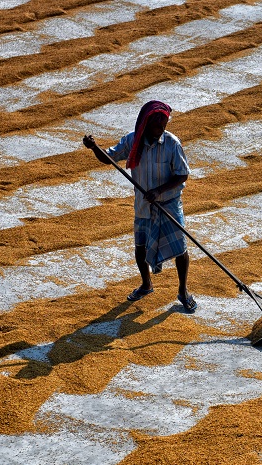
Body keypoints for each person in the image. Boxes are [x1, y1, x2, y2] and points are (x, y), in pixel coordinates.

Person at [83, 100, 195, 312]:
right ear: (147, 122)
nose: (162, 128)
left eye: (164, 124)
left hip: (169, 204)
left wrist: (158, 191)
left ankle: (183, 290)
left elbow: (182, 174)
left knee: (180, 248)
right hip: (143, 206)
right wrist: (94, 147)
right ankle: (146, 284)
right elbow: (109, 159)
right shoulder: (132, 141)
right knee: (140, 247)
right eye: (158, 124)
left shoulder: (172, 143)